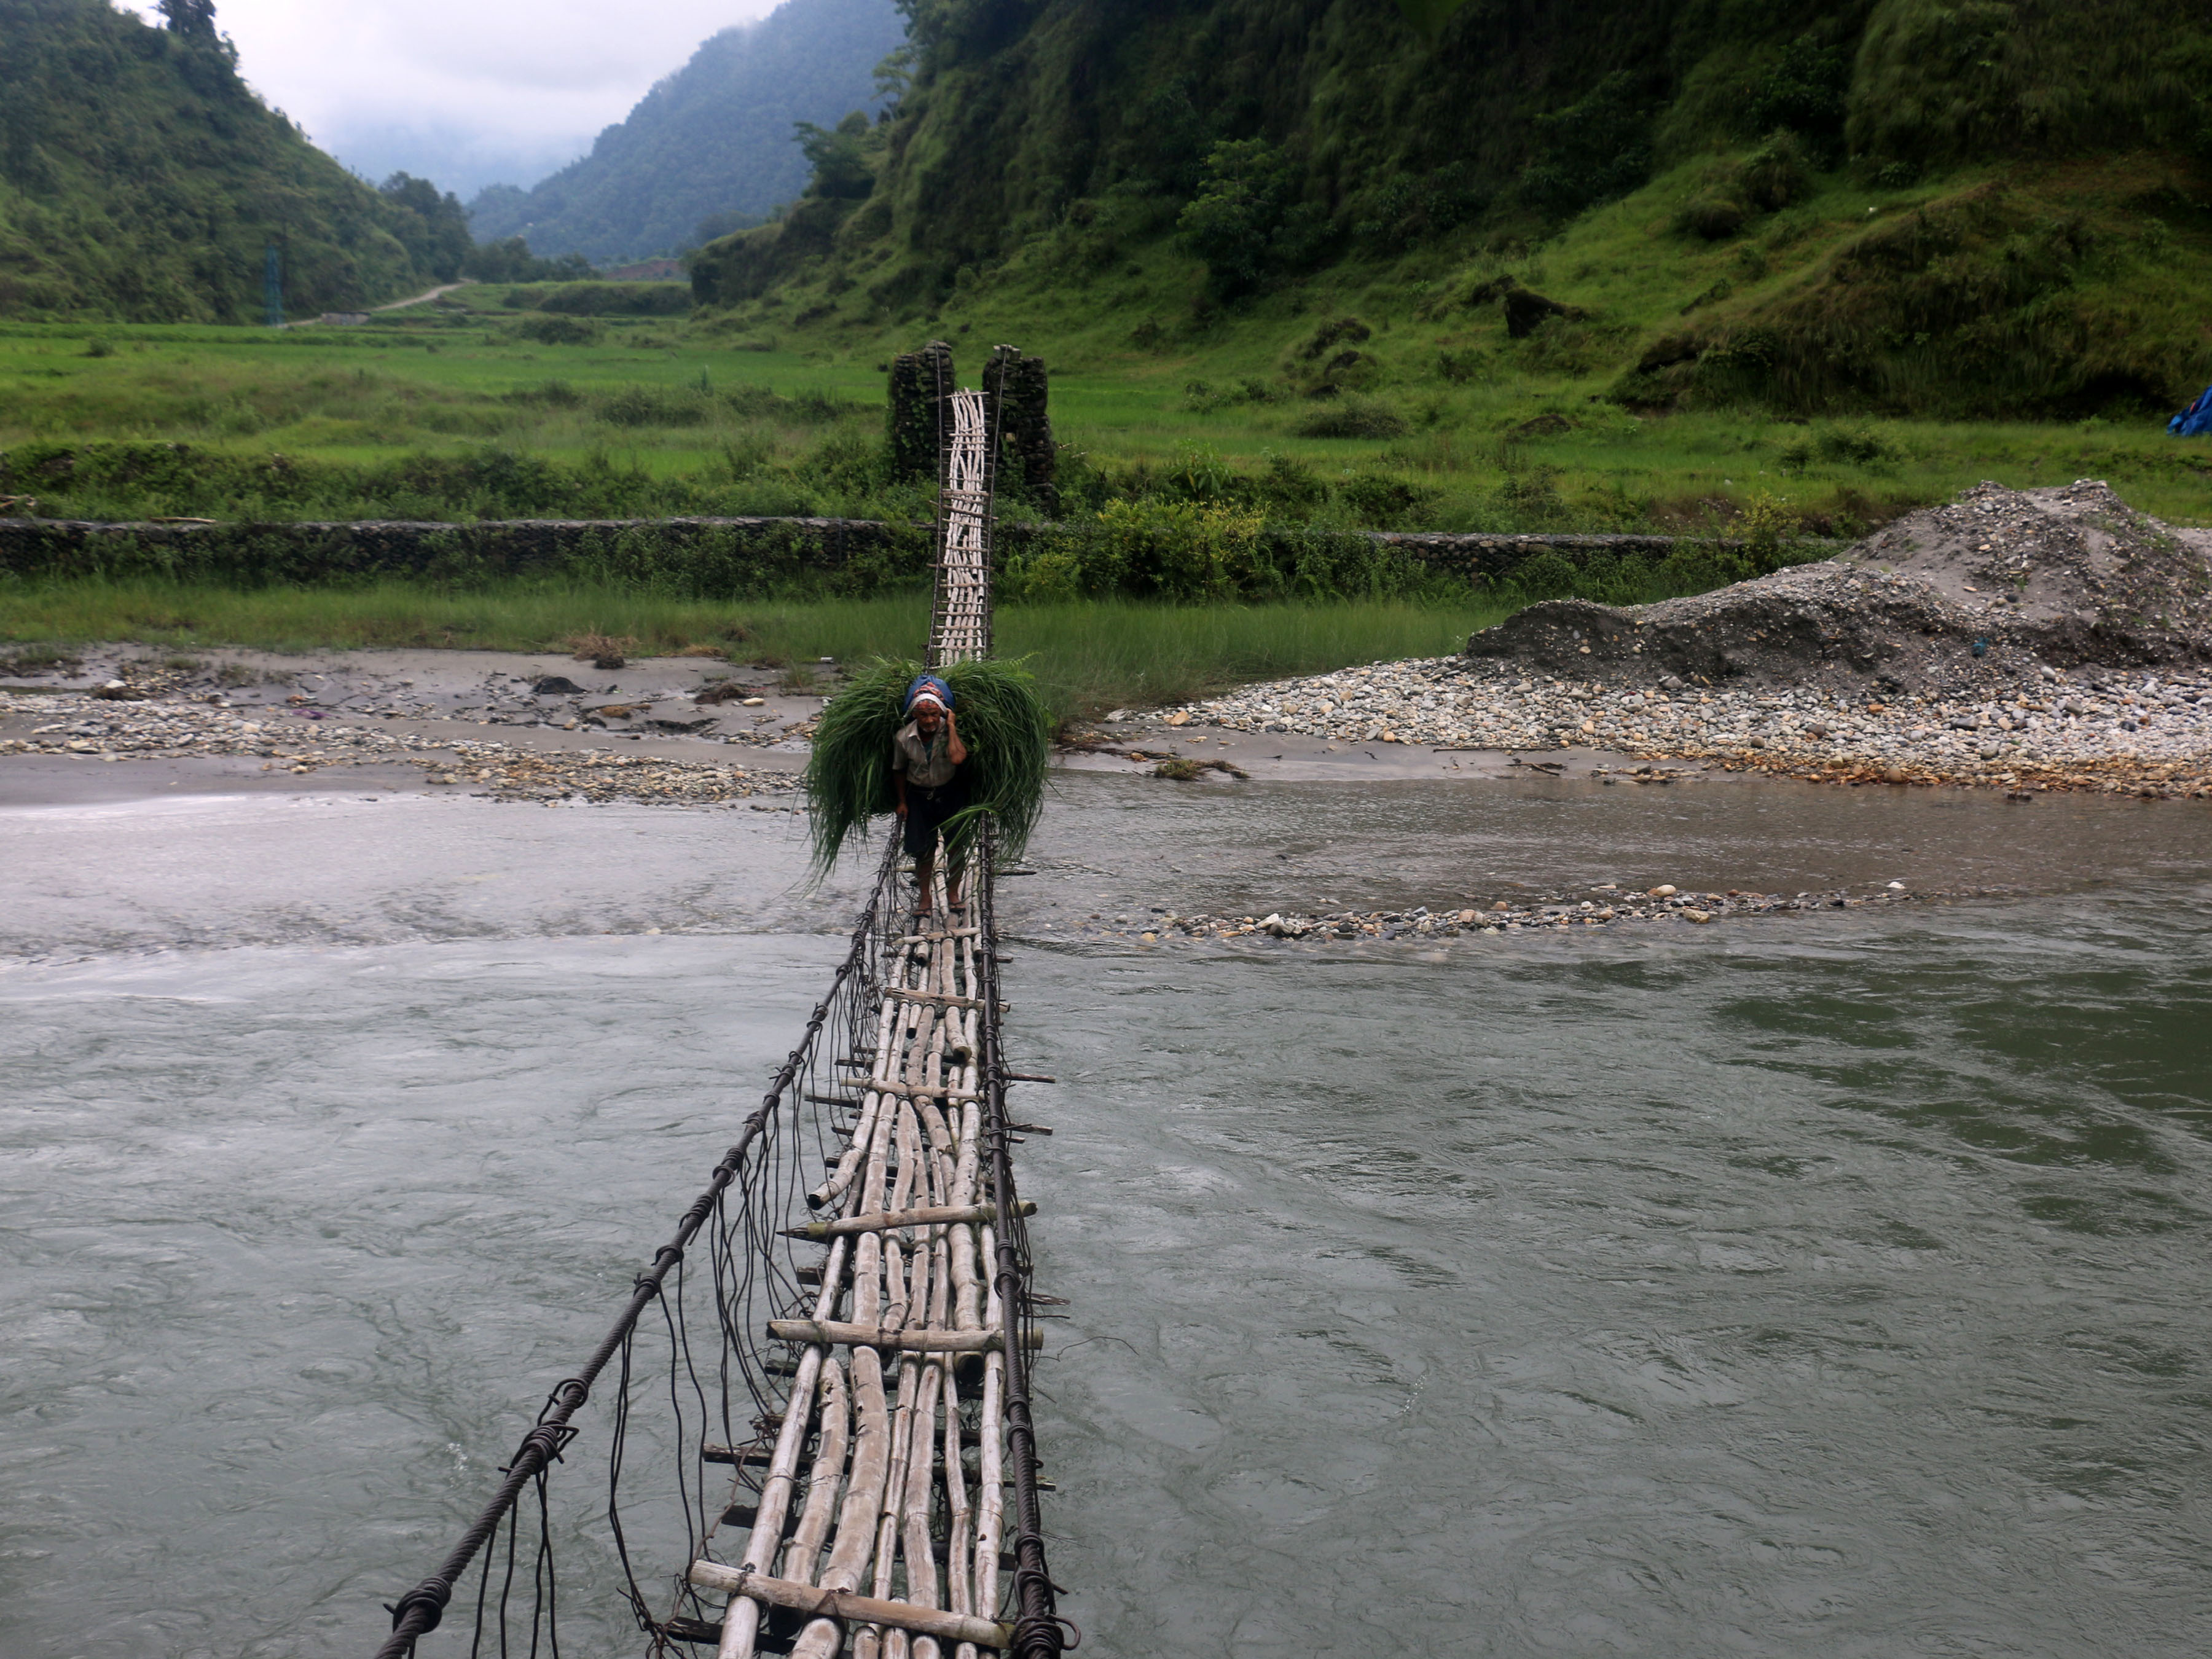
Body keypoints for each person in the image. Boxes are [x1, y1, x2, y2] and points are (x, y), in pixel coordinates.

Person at [892, 683, 970, 914]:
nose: (929, 721)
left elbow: (957, 758)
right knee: (923, 851)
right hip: (918, 797)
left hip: (950, 795)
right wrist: (902, 802)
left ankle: (953, 894)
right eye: (924, 715)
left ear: (942, 714)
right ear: (915, 714)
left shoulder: (949, 731)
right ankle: (925, 899)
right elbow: (898, 770)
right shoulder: (904, 737)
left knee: (956, 848)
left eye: (934, 714)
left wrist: (952, 726)